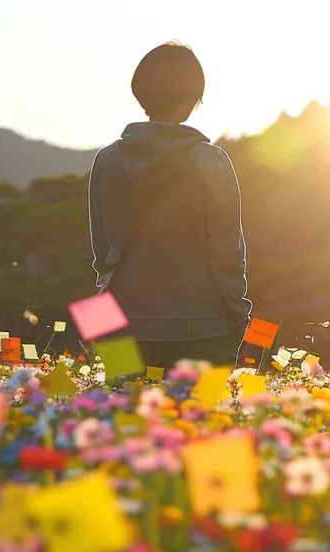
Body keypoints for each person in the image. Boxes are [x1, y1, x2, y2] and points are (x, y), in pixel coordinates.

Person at [88, 41, 252, 369]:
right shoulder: (212, 162)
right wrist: (239, 319)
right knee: (201, 419)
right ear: (194, 99)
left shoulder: (105, 161)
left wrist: (100, 334)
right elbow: (227, 258)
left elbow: (103, 260)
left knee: (124, 418)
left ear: (140, 93)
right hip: (206, 332)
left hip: (121, 332)